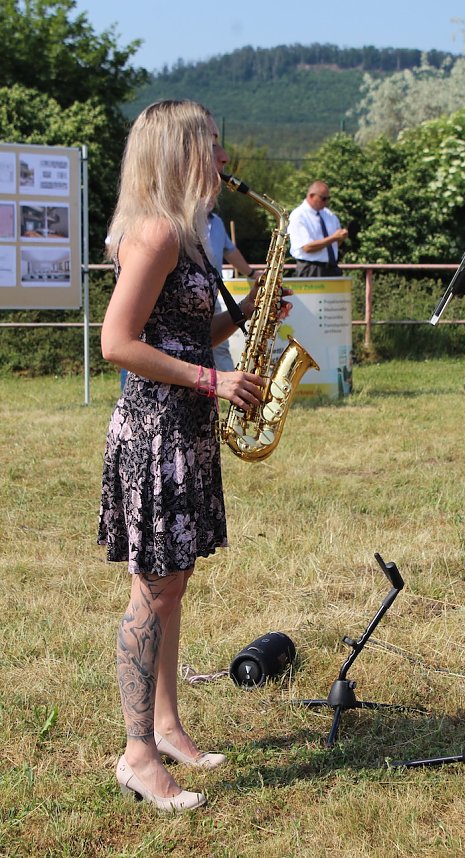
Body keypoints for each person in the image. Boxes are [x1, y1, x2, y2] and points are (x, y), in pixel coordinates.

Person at [97, 99, 270, 813]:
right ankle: (138, 755)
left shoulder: (189, 236)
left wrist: (250, 312)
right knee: (152, 589)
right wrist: (215, 378)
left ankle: (167, 728)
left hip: (185, 428)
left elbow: (180, 333)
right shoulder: (157, 233)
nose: (222, 158)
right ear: (177, 151)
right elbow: (118, 342)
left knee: (173, 584)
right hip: (157, 431)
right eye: (211, 145)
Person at [206, 208, 259, 371]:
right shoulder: (182, 220)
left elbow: (230, 250)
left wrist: (252, 273)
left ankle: (231, 386)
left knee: (220, 346)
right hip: (188, 296)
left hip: (211, 294)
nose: (211, 197)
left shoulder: (217, 222)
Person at [287, 181, 348, 277]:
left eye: (328, 198)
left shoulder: (329, 215)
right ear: (311, 196)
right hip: (310, 269)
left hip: (332, 268)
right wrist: (334, 238)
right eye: (323, 198)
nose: (326, 202)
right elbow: (307, 247)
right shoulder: (298, 215)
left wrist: (340, 237)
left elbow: (335, 245)